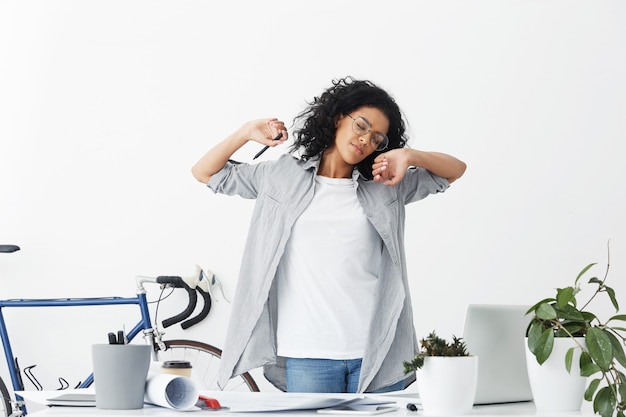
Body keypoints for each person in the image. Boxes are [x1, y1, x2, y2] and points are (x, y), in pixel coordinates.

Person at [191, 76, 466, 393]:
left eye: (378, 138)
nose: (366, 140)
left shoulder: (386, 185)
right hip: (309, 354)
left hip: (375, 351)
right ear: (337, 117)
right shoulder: (282, 176)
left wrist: (410, 156)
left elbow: (454, 171)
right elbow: (206, 173)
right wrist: (245, 132)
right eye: (361, 126)